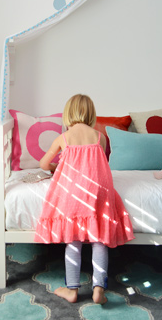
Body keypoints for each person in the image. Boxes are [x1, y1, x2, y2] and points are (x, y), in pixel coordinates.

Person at [34, 94, 134, 305]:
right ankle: (99, 288)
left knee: (73, 242)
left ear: (68, 114)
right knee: (99, 242)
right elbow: (99, 165)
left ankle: (72, 290)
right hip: (98, 193)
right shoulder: (101, 138)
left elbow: (43, 164)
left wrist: (55, 167)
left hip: (72, 195)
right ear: (91, 114)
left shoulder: (63, 138)